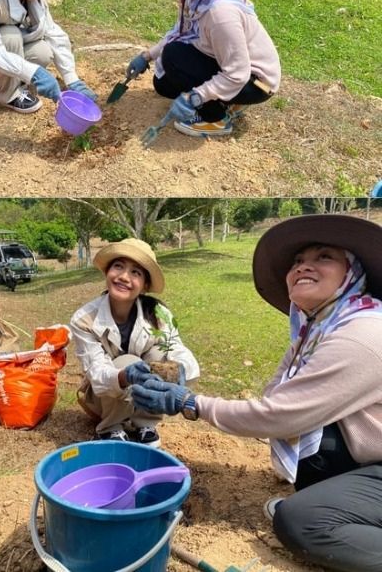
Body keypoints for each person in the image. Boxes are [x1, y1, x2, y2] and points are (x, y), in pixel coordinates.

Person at [130, 214, 382, 571]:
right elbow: (276, 393)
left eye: (324, 257)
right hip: (367, 455)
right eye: (298, 261)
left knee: (300, 522)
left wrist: (188, 402)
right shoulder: (318, 329)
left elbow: (278, 415)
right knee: (312, 444)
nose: (303, 267)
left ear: (352, 273)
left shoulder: (362, 334)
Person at [127, 0, 281, 138]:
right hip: (224, 61)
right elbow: (180, 32)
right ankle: (222, 98)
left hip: (255, 82)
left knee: (174, 56)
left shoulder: (219, 14)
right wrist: (147, 56)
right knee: (163, 84)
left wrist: (196, 97)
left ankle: (216, 119)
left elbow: (237, 73)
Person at [69, 238, 199, 446]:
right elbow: (97, 373)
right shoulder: (84, 319)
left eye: (135, 272)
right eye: (118, 266)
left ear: (145, 285)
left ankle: (145, 423)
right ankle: (111, 426)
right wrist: (125, 375)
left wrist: (181, 369)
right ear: (107, 272)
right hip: (102, 399)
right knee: (126, 362)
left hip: (142, 396)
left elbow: (176, 347)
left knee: (161, 356)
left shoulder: (158, 314)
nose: (123, 277)